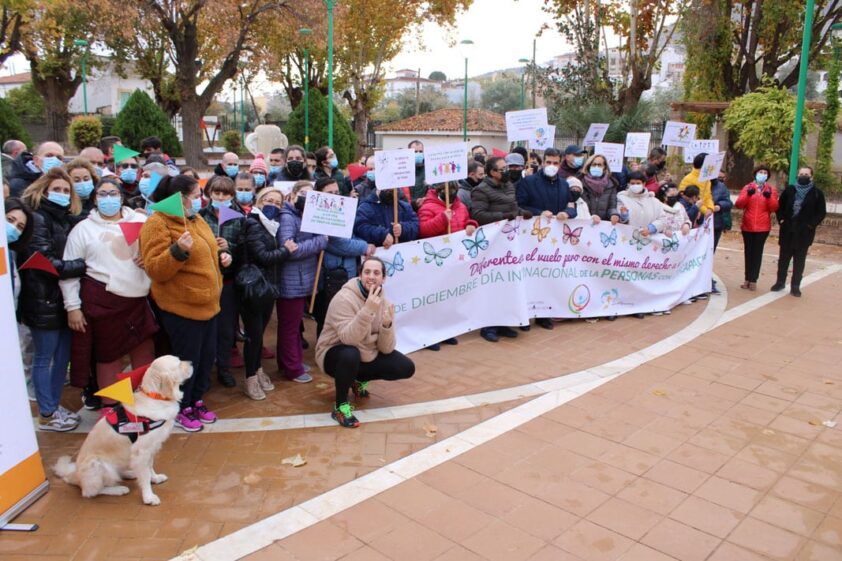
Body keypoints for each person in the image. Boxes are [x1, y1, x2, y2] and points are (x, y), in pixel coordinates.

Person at [139, 174, 227, 432]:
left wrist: (223, 255)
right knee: (186, 362)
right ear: (180, 198)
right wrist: (177, 252)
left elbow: (207, 252)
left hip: (209, 306)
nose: (200, 200)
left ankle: (196, 400)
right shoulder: (157, 223)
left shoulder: (195, 218)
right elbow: (155, 269)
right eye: (195, 195)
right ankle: (180, 406)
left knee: (205, 358)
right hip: (182, 307)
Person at [60, 178, 156, 410]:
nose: (108, 198)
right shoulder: (82, 229)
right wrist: (72, 307)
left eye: (113, 193)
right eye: (102, 194)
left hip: (139, 301)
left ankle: (145, 405)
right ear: (94, 199)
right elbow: (68, 272)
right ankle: (113, 408)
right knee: (109, 358)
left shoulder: (142, 221)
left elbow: (160, 250)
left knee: (144, 354)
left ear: (121, 197)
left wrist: (150, 258)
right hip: (103, 301)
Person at [19, 168, 86, 431]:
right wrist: (83, 265)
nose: (62, 194)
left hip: (64, 299)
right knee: (44, 356)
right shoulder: (37, 219)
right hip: (42, 298)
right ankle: (46, 411)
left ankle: (54, 404)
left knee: (61, 357)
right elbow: (45, 262)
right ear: (44, 190)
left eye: (66, 191)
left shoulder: (66, 219)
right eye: (56, 189)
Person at [315, 256, 415, 428]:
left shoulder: (385, 302)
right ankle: (340, 406)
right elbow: (348, 339)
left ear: (383, 278)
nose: (371, 276)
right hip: (334, 352)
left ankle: (358, 379)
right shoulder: (344, 299)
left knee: (406, 367)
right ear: (360, 275)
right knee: (350, 354)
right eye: (367, 272)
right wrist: (368, 310)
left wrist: (386, 325)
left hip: (365, 352)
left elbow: (386, 349)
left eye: (376, 273)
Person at [240, 185, 297, 400]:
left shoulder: (271, 225)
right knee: (253, 336)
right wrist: (286, 250)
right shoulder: (253, 224)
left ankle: (258, 370)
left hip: (267, 289)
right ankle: (250, 379)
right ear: (259, 201)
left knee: (259, 334)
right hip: (254, 289)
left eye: (277, 203)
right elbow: (262, 256)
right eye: (269, 201)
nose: (273, 205)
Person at [470, 156, 532, 341]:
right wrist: (505, 216)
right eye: (502, 169)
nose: (506, 172)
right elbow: (479, 215)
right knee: (492, 284)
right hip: (492, 245)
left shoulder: (509, 186)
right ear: (492, 172)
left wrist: (522, 213)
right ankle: (489, 326)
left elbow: (514, 208)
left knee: (507, 283)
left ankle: (504, 321)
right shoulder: (480, 190)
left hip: (509, 243)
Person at [277, 180, 327, 383]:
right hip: (290, 281)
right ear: (293, 194)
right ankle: (292, 368)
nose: (308, 198)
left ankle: (290, 361)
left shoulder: (306, 216)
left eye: (312, 195)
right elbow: (290, 250)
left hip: (302, 279)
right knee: (289, 326)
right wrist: (319, 242)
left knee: (295, 324)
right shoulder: (287, 217)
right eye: (304, 194)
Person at [311, 177, 374, 337]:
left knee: (348, 316)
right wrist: (364, 247)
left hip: (348, 273)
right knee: (328, 319)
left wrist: (362, 243)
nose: (335, 196)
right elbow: (337, 243)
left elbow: (351, 236)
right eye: (329, 193)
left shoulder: (342, 211)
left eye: (337, 192)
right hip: (330, 275)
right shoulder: (317, 216)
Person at [199, 176, 245, 388]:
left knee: (226, 330)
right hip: (206, 281)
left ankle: (224, 368)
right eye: (216, 193)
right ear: (209, 194)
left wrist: (230, 248)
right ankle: (205, 371)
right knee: (207, 329)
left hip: (227, 282)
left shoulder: (238, 218)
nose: (220, 197)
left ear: (231, 196)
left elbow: (244, 247)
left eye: (224, 193)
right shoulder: (200, 217)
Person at [417, 181, 476, 349]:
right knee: (434, 299)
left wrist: (471, 224)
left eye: (453, 187)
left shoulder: (461, 206)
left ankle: (445, 331)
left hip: (454, 260)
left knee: (449, 297)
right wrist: (443, 218)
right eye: (446, 188)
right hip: (437, 261)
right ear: (438, 190)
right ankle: (430, 335)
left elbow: (466, 222)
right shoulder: (428, 207)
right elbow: (424, 230)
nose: (451, 191)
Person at [772, 167, 826, 297]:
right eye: (801, 174)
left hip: (804, 233)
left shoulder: (817, 193)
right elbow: (780, 207)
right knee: (783, 258)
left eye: (806, 174)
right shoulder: (790, 190)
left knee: (799, 260)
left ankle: (795, 285)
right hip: (788, 230)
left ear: (811, 177)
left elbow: (821, 212)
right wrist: (782, 220)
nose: (803, 176)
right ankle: (780, 282)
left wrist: (810, 225)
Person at [734, 165, 778, 291]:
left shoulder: (771, 189)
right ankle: (747, 278)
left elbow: (774, 207)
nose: (762, 174)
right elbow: (739, 204)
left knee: (757, 253)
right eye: (760, 172)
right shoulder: (748, 187)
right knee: (748, 252)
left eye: (765, 172)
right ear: (755, 174)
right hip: (748, 225)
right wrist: (748, 195)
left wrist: (769, 197)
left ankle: (753, 279)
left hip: (763, 226)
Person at [354, 183, 419, 248]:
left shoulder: (404, 206)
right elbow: (360, 228)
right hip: (377, 254)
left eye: (393, 189)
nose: (390, 190)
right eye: (387, 188)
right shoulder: (365, 207)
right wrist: (381, 235)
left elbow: (415, 225)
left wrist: (403, 229)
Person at [578, 154, 621, 225]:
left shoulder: (611, 184)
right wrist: (590, 217)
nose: (596, 167)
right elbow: (579, 206)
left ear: (604, 167)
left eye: (599, 165)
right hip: (584, 223)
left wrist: (614, 214)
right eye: (594, 164)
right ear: (589, 166)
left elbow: (612, 206)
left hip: (603, 225)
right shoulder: (580, 182)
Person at [709, 170, 733, 294]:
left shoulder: (721, 187)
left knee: (710, 253)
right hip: (700, 226)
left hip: (715, 224)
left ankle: (708, 279)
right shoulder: (698, 183)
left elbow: (729, 203)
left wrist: (719, 206)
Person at [408, 140, 428, 204]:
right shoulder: (404, 170)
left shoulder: (429, 169)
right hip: (408, 207)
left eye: (420, 151)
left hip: (425, 205)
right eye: (415, 152)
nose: (418, 154)